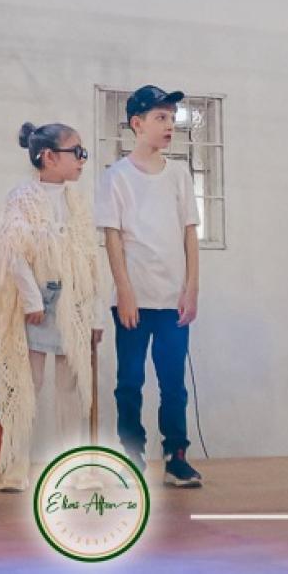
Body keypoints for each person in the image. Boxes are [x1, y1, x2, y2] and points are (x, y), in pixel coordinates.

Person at [95, 85, 203, 488]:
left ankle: (176, 456)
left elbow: (190, 233)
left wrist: (192, 288)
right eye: (160, 118)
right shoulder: (116, 176)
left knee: (173, 383)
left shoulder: (178, 174)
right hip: (133, 300)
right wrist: (124, 291)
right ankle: (132, 455)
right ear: (137, 124)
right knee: (130, 381)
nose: (168, 125)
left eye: (171, 118)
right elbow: (113, 237)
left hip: (172, 299)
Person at [0, 122, 103, 492]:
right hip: (34, 304)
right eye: (77, 152)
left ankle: (74, 468)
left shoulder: (77, 202)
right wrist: (31, 299)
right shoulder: (22, 197)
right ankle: (15, 466)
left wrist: (95, 314)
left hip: (73, 302)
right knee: (25, 384)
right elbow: (12, 249)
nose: (82, 160)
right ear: (49, 157)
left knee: (71, 387)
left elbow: (90, 261)